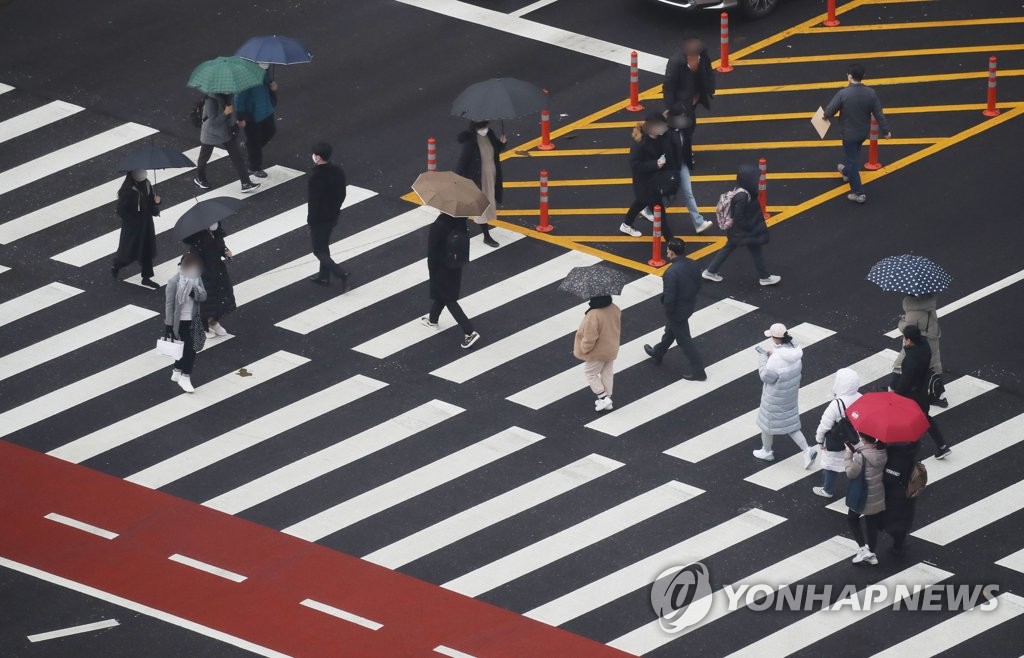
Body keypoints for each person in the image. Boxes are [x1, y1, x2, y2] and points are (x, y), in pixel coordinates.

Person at [822, 63, 892, 204]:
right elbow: (879, 114)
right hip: (862, 133)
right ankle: (846, 172)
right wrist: (886, 132)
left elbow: (829, 111)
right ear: (863, 77)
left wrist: (823, 116)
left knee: (852, 161)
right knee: (853, 156)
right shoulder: (871, 93)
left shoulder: (843, 93)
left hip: (849, 134)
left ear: (849, 76)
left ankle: (858, 192)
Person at [701, 164, 781, 287]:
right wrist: (751, 227)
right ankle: (765, 277)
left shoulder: (742, 191)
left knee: (730, 248)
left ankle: (710, 271)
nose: (757, 181)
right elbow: (739, 217)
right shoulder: (743, 196)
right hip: (745, 230)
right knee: (755, 250)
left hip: (738, 231)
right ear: (749, 179)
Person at [753, 323, 817, 468]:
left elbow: (766, 376)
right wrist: (773, 355)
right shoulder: (794, 351)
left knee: (767, 425)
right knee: (791, 425)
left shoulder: (776, 359)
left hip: (775, 397)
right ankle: (807, 450)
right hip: (789, 395)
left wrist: (763, 358)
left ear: (776, 338)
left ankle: (767, 451)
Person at [643, 238, 705, 380]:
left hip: (677, 311)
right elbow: (699, 284)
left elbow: (669, 299)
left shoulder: (671, 273)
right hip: (688, 305)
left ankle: (699, 371)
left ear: (671, 252)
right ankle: (658, 352)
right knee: (670, 331)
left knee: (684, 340)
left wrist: (667, 308)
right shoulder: (693, 264)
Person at [891, 325, 952, 459]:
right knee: (925, 417)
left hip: (915, 394)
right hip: (924, 390)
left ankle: (910, 451)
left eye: (905, 338)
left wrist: (895, 395)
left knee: (911, 420)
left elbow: (906, 382)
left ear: (909, 340)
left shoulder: (911, 360)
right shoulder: (924, 345)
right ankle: (942, 446)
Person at [421, 213, 480, 349]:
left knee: (449, 299)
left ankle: (469, 332)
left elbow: (432, 252)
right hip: (455, 263)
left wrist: (432, 269)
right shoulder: (461, 221)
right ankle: (433, 320)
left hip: (441, 266)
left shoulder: (438, 226)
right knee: (444, 293)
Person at [660, 104, 713, 234]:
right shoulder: (666, 133)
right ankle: (647, 208)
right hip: (671, 168)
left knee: (688, 194)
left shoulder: (683, 129)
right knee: (663, 193)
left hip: (681, 165)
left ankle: (699, 223)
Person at [194, 93, 260, 193]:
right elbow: (213, 123)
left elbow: (232, 113)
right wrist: (225, 113)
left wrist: (237, 121)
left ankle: (246, 183)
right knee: (204, 158)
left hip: (225, 132)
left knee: (237, 157)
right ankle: (200, 178)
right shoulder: (211, 101)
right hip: (210, 134)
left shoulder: (227, 97)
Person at [813, 368, 863, 498]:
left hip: (837, 441)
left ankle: (827, 490)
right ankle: (856, 489)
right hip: (855, 439)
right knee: (855, 465)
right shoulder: (861, 398)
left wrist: (819, 439)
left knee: (831, 466)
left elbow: (824, 425)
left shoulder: (836, 404)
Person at [306, 142, 350, 289]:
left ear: (318, 158)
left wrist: (311, 220)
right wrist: (335, 209)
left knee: (318, 250)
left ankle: (340, 272)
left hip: (319, 219)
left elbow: (313, 202)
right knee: (324, 246)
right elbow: (342, 194)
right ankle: (323, 276)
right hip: (333, 215)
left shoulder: (315, 176)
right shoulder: (338, 171)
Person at [456, 120, 506, 248]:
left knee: (474, 206)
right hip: (478, 179)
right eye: (482, 127)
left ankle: (459, 228)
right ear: (476, 128)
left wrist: (501, 143)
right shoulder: (470, 143)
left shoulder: (490, 134)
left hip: (491, 176)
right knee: (481, 207)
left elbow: (495, 151)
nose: (485, 129)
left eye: (486, 126)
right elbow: (463, 163)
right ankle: (486, 236)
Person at [621, 111, 670, 238]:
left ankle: (626, 225)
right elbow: (635, 165)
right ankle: (671, 243)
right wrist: (656, 164)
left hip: (652, 182)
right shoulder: (640, 144)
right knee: (660, 214)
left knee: (641, 202)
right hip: (645, 183)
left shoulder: (659, 138)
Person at [164, 252, 207, 393]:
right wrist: (168, 326)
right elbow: (169, 306)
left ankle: (177, 370)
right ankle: (185, 376)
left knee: (186, 348)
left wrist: (194, 292)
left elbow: (203, 296)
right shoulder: (173, 282)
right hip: (180, 323)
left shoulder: (197, 279)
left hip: (193, 320)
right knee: (191, 349)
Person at [184, 221, 235, 339]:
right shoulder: (198, 240)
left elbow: (221, 248)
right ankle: (203, 325)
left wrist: (227, 254)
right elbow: (194, 258)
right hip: (204, 275)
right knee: (206, 302)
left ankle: (213, 321)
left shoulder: (217, 235)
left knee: (219, 298)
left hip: (219, 272)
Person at [111, 169, 160, 289]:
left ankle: (146, 278)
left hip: (146, 224)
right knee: (129, 251)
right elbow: (121, 210)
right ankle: (117, 265)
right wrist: (134, 221)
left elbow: (150, 203)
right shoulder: (128, 191)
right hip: (133, 227)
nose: (143, 173)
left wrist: (156, 203)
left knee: (146, 251)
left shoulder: (147, 184)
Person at [893, 293, 945, 406]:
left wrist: (902, 321)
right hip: (932, 340)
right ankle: (938, 394)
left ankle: (896, 390)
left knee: (899, 365)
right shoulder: (929, 304)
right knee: (933, 366)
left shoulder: (913, 311)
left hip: (917, 343)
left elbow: (908, 330)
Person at [573, 295, 622, 412]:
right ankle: (607, 401)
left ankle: (603, 398)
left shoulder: (594, 314)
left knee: (590, 373)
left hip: (598, 351)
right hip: (611, 347)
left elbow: (590, 337)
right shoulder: (614, 308)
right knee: (607, 372)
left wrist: (584, 349)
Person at [845, 433, 888, 565]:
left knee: (852, 518)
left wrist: (848, 455)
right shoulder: (882, 452)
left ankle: (863, 549)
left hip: (862, 495)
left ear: (863, 439)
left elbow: (850, 473)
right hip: (877, 494)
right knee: (871, 524)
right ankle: (872, 554)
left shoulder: (860, 456)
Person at [663, 35, 715, 142]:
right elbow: (669, 85)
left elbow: (708, 71)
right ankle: (668, 150)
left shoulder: (703, 56)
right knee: (680, 125)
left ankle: (684, 149)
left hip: (694, 97)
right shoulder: (676, 63)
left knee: (688, 125)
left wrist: (710, 87)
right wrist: (670, 106)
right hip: (680, 101)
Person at [234, 63, 278, 178]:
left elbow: (268, 85)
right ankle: (254, 167)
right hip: (252, 115)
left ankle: (249, 147)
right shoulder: (246, 79)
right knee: (255, 141)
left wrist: (272, 86)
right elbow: (239, 99)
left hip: (266, 110)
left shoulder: (264, 74)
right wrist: (240, 117)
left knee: (270, 131)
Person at [883, 440, 920, 558]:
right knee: (901, 521)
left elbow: (890, 478)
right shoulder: (910, 452)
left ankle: (900, 544)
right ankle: (899, 544)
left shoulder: (897, 458)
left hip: (896, 497)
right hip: (907, 494)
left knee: (891, 523)